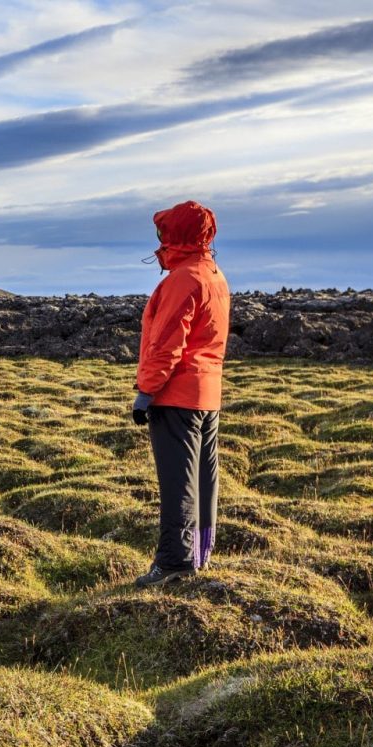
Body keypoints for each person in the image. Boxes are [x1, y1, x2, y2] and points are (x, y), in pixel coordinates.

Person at [131, 200, 230, 587]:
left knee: (178, 480)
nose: (159, 239)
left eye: (164, 232)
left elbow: (167, 341)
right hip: (207, 394)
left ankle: (174, 563)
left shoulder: (182, 279)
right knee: (204, 477)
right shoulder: (213, 275)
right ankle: (200, 553)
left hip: (177, 395)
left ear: (177, 235)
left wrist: (147, 391)